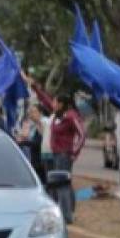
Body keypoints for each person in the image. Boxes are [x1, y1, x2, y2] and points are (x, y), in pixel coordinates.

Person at [30, 81, 85, 224]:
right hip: (54, 154)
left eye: (56, 102)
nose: (53, 104)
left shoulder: (71, 116)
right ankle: (60, 212)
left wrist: (74, 152)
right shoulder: (57, 115)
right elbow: (45, 100)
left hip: (64, 154)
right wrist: (35, 87)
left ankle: (67, 215)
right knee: (56, 185)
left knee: (63, 185)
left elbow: (82, 134)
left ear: (62, 104)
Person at [15, 104, 46, 183]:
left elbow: (38, 143)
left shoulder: (43, 123)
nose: (31, 114)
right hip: (34, 158)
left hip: (41, 160)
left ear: (40, 113)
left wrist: (23, 142)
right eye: (30, 112)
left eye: (33, 112)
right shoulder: (34, 124)